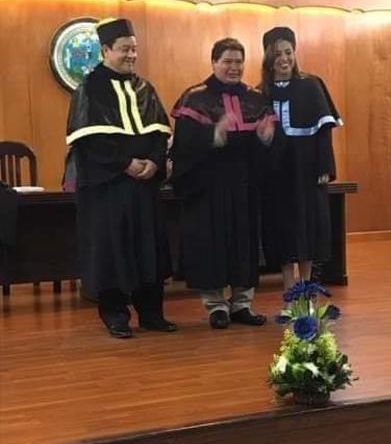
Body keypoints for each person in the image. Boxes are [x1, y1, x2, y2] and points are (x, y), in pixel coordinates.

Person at [65, 18, 177, 338]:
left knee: (149, 248)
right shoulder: (89, 88)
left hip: (144, 188)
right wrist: (126, 163)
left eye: (134, 49)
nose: (131, 55)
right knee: (112, 250)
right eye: (124, 49)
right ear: (105, 50)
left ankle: (151, 312)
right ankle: (115, 314)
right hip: (108, 188)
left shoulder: (145, 88)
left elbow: (160, 134)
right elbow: (88, 141)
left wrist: (154, 163)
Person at [171, 37, 278, 329]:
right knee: (212, 245)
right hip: (209, 187)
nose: (234, 67)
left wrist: (265, 140)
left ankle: (242, 304)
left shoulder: (256, 98)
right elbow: (182, 146)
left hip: (245, 186)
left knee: (245, 244)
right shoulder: (195, 98)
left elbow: (267, 147)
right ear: (214, 62)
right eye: (228, 61)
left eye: (239, 62)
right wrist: (211, 138)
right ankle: (216, 306)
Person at [260, 26, 343, 291]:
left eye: (288, 53)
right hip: (276, 172)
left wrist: (325, 167)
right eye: (277, 54)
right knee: (283, 229)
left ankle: (305, 288)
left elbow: (323, 130)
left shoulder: (311, 84)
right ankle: (288, 290)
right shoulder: (261, 91)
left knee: (307, 229)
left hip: (306, 169)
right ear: (268, 58)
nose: (284, 59)